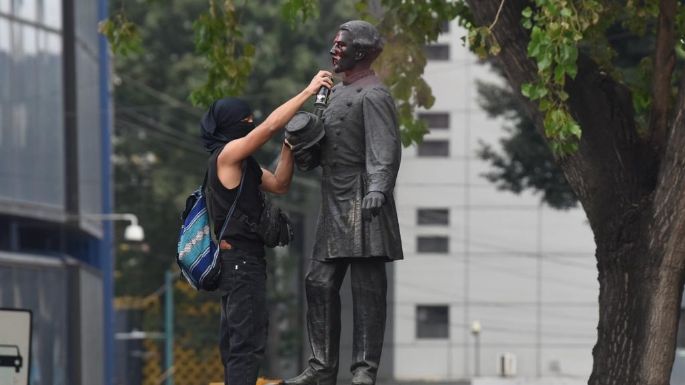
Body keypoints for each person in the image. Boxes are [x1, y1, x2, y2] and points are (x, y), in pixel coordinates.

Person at [283, 20, 403, 385]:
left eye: (341, 46)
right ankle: (321, 368)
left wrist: (378, 189)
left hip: (364, 199)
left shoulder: (374, 94)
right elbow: (325, 146)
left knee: (367, 289)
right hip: (333, 201)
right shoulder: (335, 94)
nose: (334, 50)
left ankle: (364, 370)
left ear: (361, 53)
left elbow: (386, 147)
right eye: (334, 45)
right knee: (318, 282)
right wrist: (304, 144)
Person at [201, 70, 333, 385]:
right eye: (244, 120)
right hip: (239, 263)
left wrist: (289, 145)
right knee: (246, 344)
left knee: (238, 342)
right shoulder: (226, 157)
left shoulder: (244, 166)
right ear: (228, 125)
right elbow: (270, 126)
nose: (249, 123)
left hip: (245, 262)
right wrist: (308, 91)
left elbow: (279, 184)